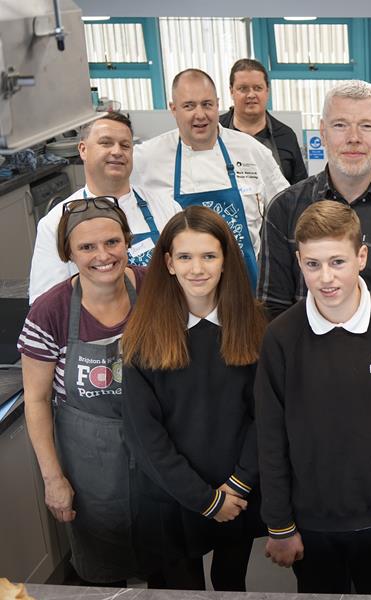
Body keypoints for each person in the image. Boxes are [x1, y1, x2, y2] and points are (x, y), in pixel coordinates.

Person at [255, 200, 371, 595]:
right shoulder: (281, 337)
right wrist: (279, 524)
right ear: (298, 261)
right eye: (313, 264)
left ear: (361, 257)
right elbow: (270, 436)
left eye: (338, 261)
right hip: (311, 525)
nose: (326, 277)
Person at [121, 206, 267, 590]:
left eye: (208, 256)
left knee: (230, 582)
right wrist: (205, 500)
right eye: (185, 256)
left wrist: (237, 485)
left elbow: (266, 416)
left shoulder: (254, 327)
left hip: (238, 490)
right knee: (178, 590)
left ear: (225, 262)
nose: (197, 268)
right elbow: (143, 436)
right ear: (168, 263)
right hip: (171, 495)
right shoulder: (142, 335)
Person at [256, 80, 371, 347]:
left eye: (366, 125)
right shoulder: (284, 210)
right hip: (302, 374)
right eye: (340, 125)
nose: (353, 137)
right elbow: (271, 312)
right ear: (323, 131)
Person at [18, 197, 143, 585]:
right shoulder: (50, 312)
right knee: (105, 577)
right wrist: (54, 480)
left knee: (172, 571)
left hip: (158, 456)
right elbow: (36, 401)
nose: (102, 256)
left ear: (127, 242)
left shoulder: (155, 287)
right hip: (92, 470)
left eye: (112, 242)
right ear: (68, 253)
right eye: (87, 247)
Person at [132, 68, 290, 287]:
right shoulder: (146, 158)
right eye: (189, 106)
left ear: (217, 104)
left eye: (207, 104)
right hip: (180, 292)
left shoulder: (251, 150)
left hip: (243, 288)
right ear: (173, 109)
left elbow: (286, 211)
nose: (200, 115)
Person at [29, 111, 180, 302]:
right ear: (83, 149)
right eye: (106, 143)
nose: (117, 151)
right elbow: (45, 304)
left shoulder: (167, 207)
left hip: (164, 322)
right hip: (96, 330)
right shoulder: (56, 223)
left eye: (125, 145)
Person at [220, 58, 308, 185]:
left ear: (267, 90)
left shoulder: (286, 136)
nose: (251, 95)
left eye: (257, 88)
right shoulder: (215, 131)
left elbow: (301, 190)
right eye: (243, 88)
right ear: (231, 91)